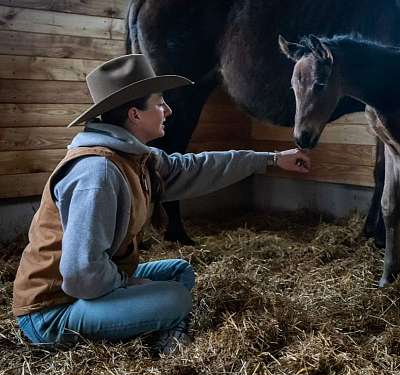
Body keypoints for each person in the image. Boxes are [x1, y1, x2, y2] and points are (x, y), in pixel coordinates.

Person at [11, 54, 311, 354]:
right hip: (52, 312)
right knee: (175, 300)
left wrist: (272, 159)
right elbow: (80, 275)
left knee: (179, 272)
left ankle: (157, 326)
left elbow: (197, 167)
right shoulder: (98, 172)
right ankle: (167, 336)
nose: (168, 110)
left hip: (91, 287)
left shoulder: (134, 158)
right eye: (160, 103)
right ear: (135, 115)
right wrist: (129, 286)